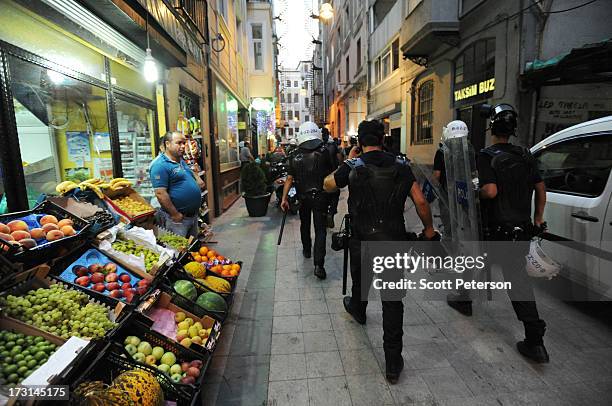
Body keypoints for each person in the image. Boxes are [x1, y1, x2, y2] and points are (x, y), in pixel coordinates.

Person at [323, 120, 438, 384]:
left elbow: (328, 184)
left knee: (361, 279)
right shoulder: (400, 166)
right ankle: (392, 362)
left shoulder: (353, 165)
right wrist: (429, 229)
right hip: (393, 241)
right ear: (383, 140)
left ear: (360, 143)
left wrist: (347, 161)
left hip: (362, 239)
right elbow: (420, 201)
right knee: (393, 301)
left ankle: (358, 309)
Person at [448, 104, 549, 363]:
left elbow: (490, 192)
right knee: (516, 279)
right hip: (520, 228)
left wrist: (476, 191)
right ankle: (535, 340)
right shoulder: (526, 155)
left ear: (492, 128)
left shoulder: (487, 155)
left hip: (495, 228)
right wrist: (537, 218)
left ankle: (464, 299)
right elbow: (540, 188)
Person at [281, 122, 334, 279]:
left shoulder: (294, 155)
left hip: (303, 197)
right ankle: (319, 265)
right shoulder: (325, 152)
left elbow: (289, 179)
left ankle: (306, 249)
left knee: (305, 224)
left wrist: (284, 198)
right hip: (321, 197)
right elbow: (332, 176)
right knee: (320, 230)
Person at [150, 132, 204, 238]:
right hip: (177, 220)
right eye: (179, 143)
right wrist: (175, 214)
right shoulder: (159, 165)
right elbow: (160, 193)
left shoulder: (179, 159)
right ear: (167, 144)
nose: (183, 146)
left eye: (184, 143)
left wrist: (197, 178)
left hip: (192, 216)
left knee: (193, 248)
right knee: (178, 251)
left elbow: (188, 170)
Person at [321, 127, 342, 228]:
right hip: (333, 174)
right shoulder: (333, 145)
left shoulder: (319, 146)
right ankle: (331, 212)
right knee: (335, 193)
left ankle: (324, 215)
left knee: (324, 194)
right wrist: (339, 166)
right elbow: (339, 157)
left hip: (322, 175)